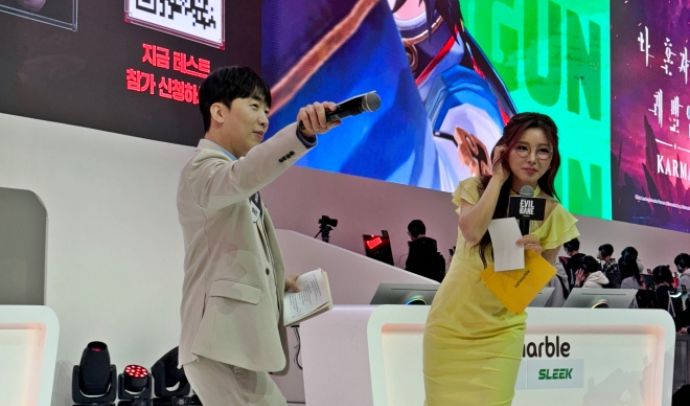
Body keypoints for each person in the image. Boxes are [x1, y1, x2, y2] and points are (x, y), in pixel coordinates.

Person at [176, 66, 340, 406]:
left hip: (231, 347)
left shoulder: (231, 177)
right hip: (219, 346)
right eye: (253, 106)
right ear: (218, 112)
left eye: (266, 110)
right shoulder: (202, 168)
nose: (264, 119)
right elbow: (244, 174)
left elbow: (229, 254)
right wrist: (301, 134)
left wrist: (279, 281)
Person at [423, 112, 579, 405]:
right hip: (449, 326)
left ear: (552, 159)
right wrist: (497, 178)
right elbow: (472, 232)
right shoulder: (475, 189)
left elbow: (528, 292)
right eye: (522, 147)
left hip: (501, 332)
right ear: (505, 149)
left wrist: (532, 262)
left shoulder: (554, 215)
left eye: (542, 151)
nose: (532, 158)